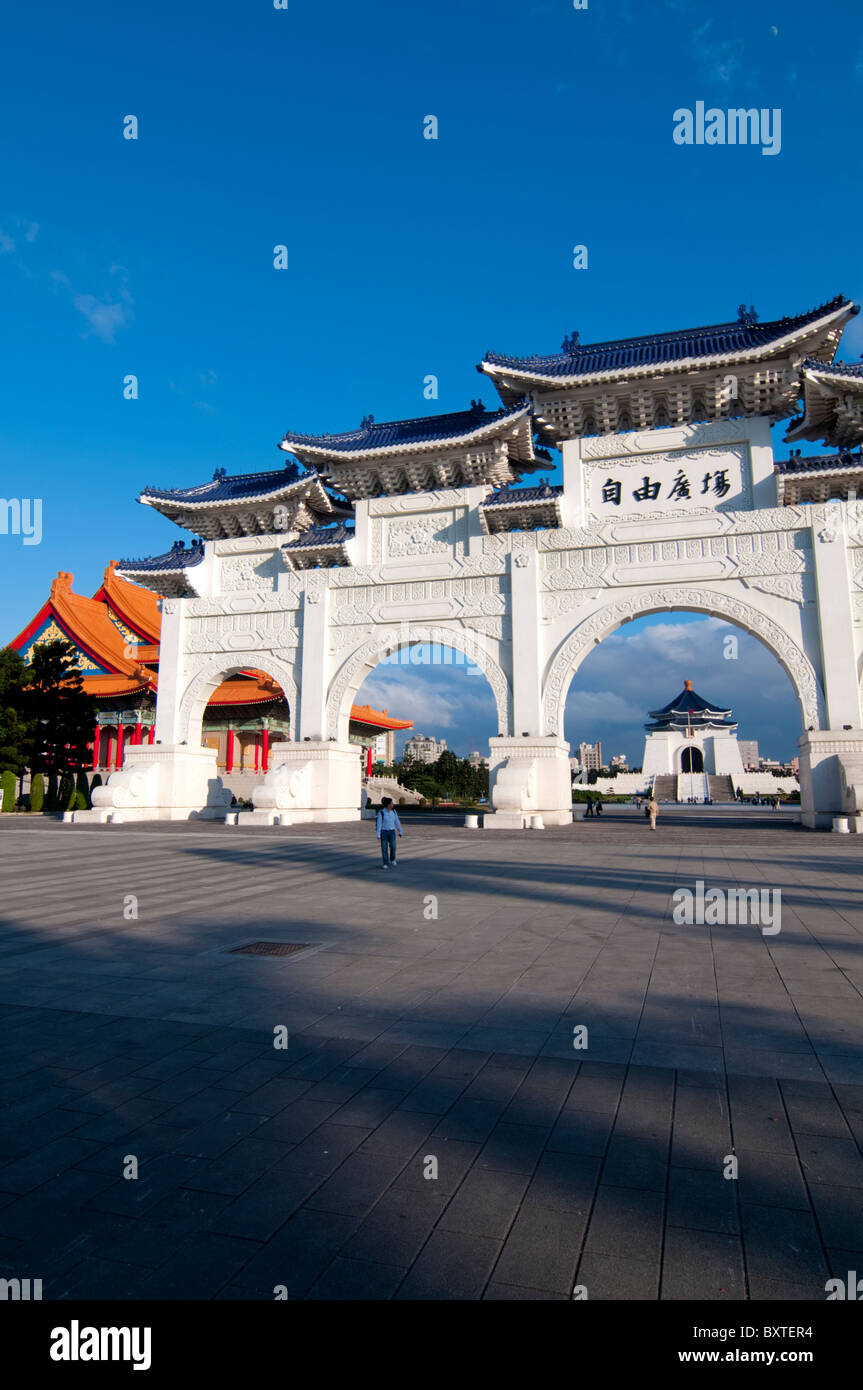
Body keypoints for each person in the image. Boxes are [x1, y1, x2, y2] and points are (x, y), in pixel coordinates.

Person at [376, 796, 402, 868]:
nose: (392, 805)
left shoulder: (394, 812)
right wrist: (378, 834)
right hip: (384, 832)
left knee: (393, 847)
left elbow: (397, 821)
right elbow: (379, 824)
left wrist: (400, 831)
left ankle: (392, 859)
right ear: (387, 805)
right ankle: (385, 863)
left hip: (392, 832)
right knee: (384, 848)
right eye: (391, 803)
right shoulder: (381, 813)